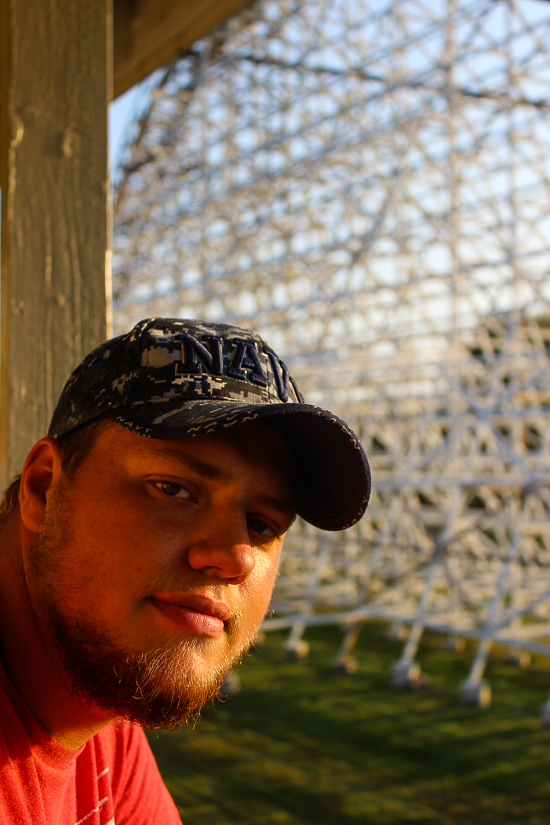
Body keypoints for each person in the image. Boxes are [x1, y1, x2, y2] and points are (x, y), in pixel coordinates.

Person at [0, 317, 370, 824]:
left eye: (262, 524)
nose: (235, 556)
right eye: (173, 489)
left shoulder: (97, 702)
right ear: (44, 489)